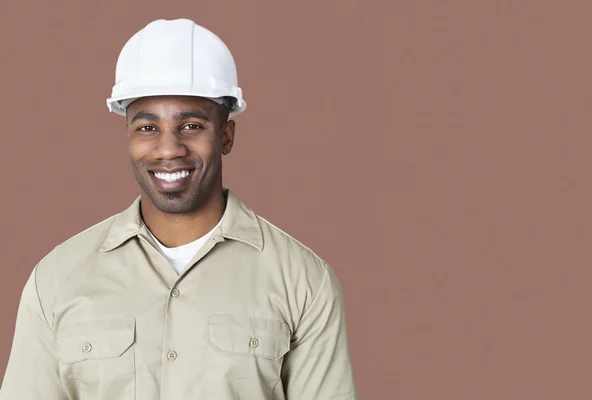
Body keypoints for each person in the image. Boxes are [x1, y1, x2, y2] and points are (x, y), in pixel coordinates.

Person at [0, 18, 359, 400]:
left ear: (226, 136)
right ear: (128, 136)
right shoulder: (57, 279)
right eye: (147, 128)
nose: (169, 149)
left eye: (190, 126)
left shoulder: (302, 281)